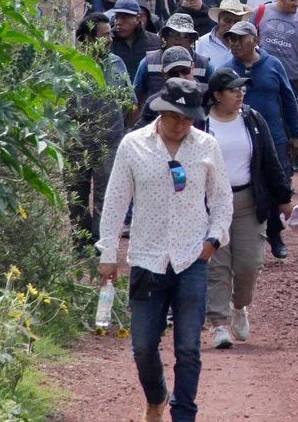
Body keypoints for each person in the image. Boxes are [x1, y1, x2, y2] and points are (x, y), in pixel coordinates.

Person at [97, 78, 233, 422]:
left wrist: (213, 239)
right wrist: (108, 254)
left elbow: (221, 198)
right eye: (176, 117)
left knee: (188, 347)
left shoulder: (206, 146)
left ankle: (183, 414)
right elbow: (115, 202)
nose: (182, 125)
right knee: (143, 345)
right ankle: (157, 395)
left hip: (192, 259)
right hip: (146, 258)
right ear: (162, 112)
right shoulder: (133, 146)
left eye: (189, 118)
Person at [203, 69, 294, 349]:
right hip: (210, 205)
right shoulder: (201, 122)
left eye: (242, 89)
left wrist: (283, 197)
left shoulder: (253, 120)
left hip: (247, 203)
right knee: (217, 265)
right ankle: (219, 323)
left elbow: (270, 160)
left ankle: (240, 306)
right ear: (217, 95)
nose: (240, 94)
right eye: (233, 90)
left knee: (248, 263)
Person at [221, 21, 298, 260]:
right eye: (231, 40)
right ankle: (250, 237)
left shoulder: (273, 65)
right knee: (251, 186)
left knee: (278, 184)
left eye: (239, 39)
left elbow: (288, 99)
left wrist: (295, 134)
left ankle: (276, 235)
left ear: (255, 40)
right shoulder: (227, 71)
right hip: (241, 138)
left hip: (274, 137)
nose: (234, 44)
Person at [67, 12, 131, 246]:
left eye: (110, 34)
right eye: (104, 36)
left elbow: (128, 100)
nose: (110, 40)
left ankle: (101, 244)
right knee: (77, 196)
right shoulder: (71, 65)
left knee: (107, 195)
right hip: (76, 142)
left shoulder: (116, 63)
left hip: (109, 142)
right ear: (87, 39)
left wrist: (122, 130)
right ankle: (80, 244)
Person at [256, 0, 298, 173]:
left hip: (293, 76)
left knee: (296, 117)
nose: (297, 4)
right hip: (265, 75)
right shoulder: (262, 11)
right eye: (293, 0)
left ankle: (296, 156)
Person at [133, 13, 212, 108]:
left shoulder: (204, 64)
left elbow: (213, 97)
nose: (177, 38)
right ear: (165, 37)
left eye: (184, 35)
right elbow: (136, 98)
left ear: (191, 40)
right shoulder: (149, 62)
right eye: (172, 33)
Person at [131, 47, 203, 132]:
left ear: (193, 67)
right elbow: (140, 133)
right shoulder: (154, 103)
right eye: (173, 73)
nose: (180, 77)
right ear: (164, 74)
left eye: (185, 71)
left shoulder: (209, 96)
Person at [109, 0, 161, 79]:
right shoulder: (108, 43)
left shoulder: (155, 42)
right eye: (117, 17)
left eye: (124, 18)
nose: (118, 22)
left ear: (137, 19)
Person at [197, 0, 251, 69]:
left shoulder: (249, 43)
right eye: (227, 20)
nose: (232, 25)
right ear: (218, 20)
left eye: (236, 22)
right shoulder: (201, 43)